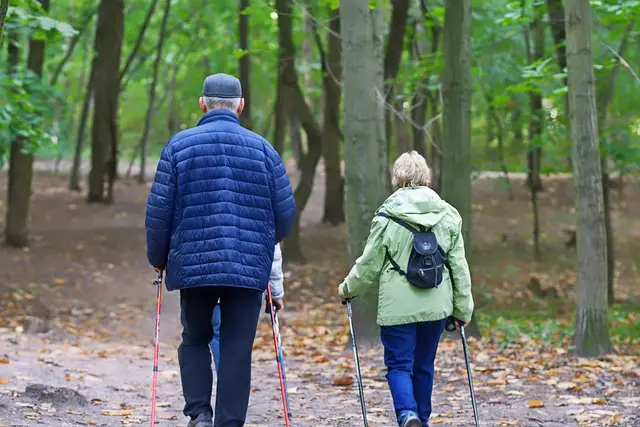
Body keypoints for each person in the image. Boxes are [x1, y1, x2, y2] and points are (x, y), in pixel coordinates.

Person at [145, 73, 295, 427]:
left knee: (195, 338)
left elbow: (159, 212)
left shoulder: (178, 147)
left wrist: (159, 258)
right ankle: (229, 422)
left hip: (195, 267)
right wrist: (262, 242)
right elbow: (285, 216)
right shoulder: (263, 150)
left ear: (203, 103)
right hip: (247, 270)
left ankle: (199, 413)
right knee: (236, 350)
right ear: (240, 105)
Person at [338, 151, 474, 427]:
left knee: (399, 365)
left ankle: (407, 414)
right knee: (424, 366)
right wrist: (463, 309)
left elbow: (369, 264)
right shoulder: (448, 215)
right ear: (426, 176)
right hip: (437, 307)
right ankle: (421, 420)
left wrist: (348, 289)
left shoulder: (387, 216)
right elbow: (459, 266)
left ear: (397, 177)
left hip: (397, 309)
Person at [210, 243, 284, 371]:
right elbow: (272, 246)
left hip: (210, 275)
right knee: (241, 336)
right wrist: (275, 291)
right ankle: (235, 387)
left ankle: (227, 385)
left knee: (217, 334)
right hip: (249, 276)